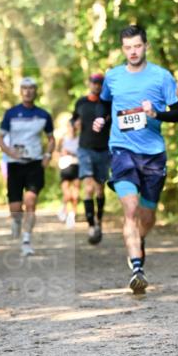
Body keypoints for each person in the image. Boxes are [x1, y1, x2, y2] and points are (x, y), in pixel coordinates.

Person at [94, 25, 178, 294]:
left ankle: (137, 242)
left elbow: (177, 114)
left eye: (137, 46)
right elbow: (104, 102)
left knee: (147, 215)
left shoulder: (162, 77)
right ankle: (136, 267)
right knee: (130, 209)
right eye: (128, 47)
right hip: (122, 150)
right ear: (123, 49)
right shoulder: (113, 76)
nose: (133, 52)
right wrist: (102, 117)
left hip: (153, 154)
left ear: (146, 46)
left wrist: (156, 113)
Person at [0, 78, 54, 256]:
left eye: (31, 88)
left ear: (36, 91)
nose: (28, 91)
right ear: (20, 91)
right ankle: (16, 221)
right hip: (15, 165)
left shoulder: (43, 115)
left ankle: (27, 240)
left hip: (35, 164)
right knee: (15, 208)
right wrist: (9, 152)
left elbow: (51, 139)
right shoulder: (11, 114)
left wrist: (47, 156)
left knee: (31, 202)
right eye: (25, 88)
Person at [72, 72, 111, 245]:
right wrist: (74, 124)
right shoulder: (81, 102)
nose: (96, 85)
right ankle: (90, 226)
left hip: (103, 150)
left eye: (100, 83)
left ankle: (99, 220)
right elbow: (73, 119)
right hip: (85, 149)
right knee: (88, 188)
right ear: (89, 83)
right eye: (94, 82)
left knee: (100, 190)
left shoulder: (108, 104)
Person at [57, 118, 80, 228]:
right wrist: (61, 154)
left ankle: (72, 215)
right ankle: (64, 207)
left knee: (75, 195)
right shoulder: (63, 140)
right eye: (70, 127)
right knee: (67, 193)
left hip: (76, 166)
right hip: (65, 167)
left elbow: (82, 153)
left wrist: (72, 153)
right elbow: (57, 152)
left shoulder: (80, 139)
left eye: (74, 127)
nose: (72, 129)